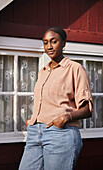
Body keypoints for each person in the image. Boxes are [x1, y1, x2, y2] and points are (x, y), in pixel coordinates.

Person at [19, 27, 93, 170]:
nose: (49, 46)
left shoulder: (75, 69)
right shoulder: (43, 71)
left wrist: (65, 118)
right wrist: (33, 120)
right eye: (45, 42)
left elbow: (87, 110)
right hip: (35, 134)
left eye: (54, 41)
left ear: (64, 43)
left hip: (60, 133)